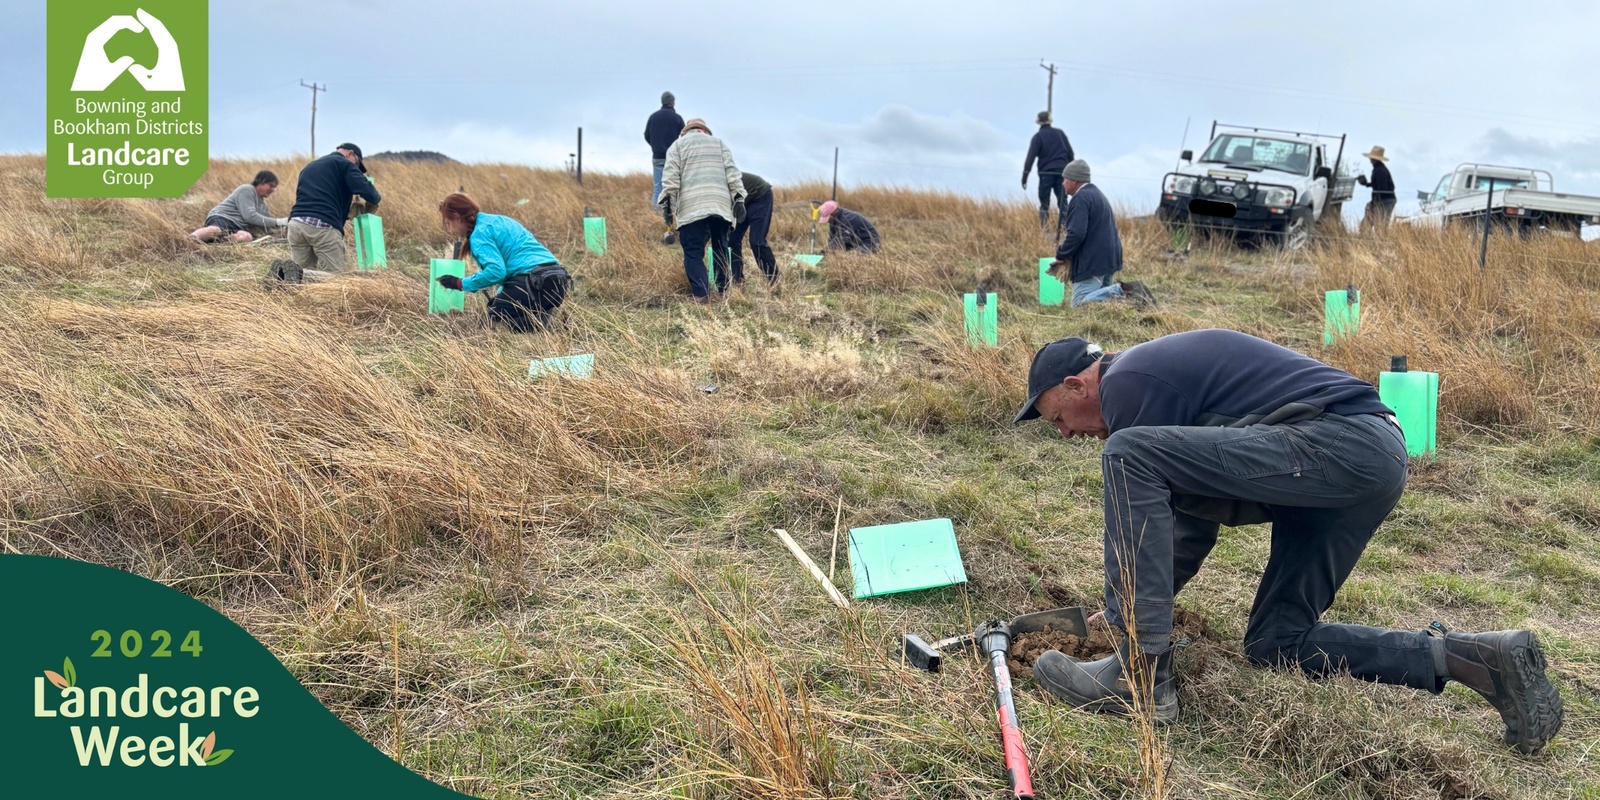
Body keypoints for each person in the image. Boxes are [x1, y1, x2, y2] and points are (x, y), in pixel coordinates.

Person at [1012, 330, 1564, 755]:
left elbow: (1179, 520)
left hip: (1340, 443)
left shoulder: (1129, 380)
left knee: (1127, 453)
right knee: (1277, 642)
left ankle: (1138, 677)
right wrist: (1119, 612)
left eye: (1059, 418)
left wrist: (1126, 619)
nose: (1066, 434)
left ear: (1078, 385)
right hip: (1367, 461)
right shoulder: (1150, 377)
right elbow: (1185, 523)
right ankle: (1474, 659)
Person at [433, 193, 570, 332]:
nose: (450, 228)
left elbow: (496, 272)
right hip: (558, 279)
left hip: (533, 281)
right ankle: (548, 319)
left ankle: (540, 327)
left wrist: (460, 283)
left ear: (456, 216)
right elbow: (509, 270)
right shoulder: (499, 220)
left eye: (449, 223)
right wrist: (501, 295)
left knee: (497, 314)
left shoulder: (479, 234)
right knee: (502, 304)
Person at [660, 119, 745, 302]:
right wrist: (739, 198)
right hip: (720, 206)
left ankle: (701, 294)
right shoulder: (719, 144)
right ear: (705, 131)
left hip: (692, 206)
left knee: (693, 251)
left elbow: (671, 178)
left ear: (685, 132)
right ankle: (723, 291)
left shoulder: (677, 146)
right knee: (720, 248)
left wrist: (667, 205)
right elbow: (733, 173)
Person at [1051, 160, 1155, 307]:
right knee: (1104, 303)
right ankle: (1127, 296)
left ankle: (1125, 291)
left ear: (1074, 181)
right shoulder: (1097, 194)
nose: (1062, 183)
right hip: (1109, 257)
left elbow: (1076, 233)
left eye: (1065, 179)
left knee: (1079, 304)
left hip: (1094, 260)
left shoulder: (1080, 199)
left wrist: (1062, 253)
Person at [285, 143, 381, 278]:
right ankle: (293, 274)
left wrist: (345, 213)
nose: (357, 168)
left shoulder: (309, 167)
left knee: (298, 278)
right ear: (350, 154)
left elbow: (319, 197)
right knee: (336, 277)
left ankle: (282, 277)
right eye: (357, 164)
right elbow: (368, 191)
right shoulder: (345, 163)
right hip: (322, 227)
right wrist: (374, 201)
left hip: (296, 225)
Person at [191, 170, 287, 243]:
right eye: (271, 186)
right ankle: (190, 240)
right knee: (215, 230)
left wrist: (286, 228)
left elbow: (266, 228)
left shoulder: (264, 207)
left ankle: (221, 243)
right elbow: (250, 216)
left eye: (274, 188)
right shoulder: (247, 190)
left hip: (237, 227)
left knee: (246, 236)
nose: (273, 190)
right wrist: (279, 221)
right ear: (261, 181)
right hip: (223, 218)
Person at [1023, 111, 1075, 231]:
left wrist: (1024, 177)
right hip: (1062, 173)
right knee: (1063, 202)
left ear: (1039, 122)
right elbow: (1070, 153)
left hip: (1045, 174)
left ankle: (1044, 229)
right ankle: (1065, 230)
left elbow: (1030, 158)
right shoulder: (1060, 134)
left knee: (1044, 203)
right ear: (1050, 120)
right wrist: (1071, 172)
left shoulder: (1038, 137)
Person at [730, 172, 778, 286]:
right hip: (741, 201)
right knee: (731, 240)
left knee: (756, 241)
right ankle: (738, 281)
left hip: (759, 195)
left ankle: (775, 280)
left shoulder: (722, 181)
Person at [645, 92, 685, 208]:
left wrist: (654, 146)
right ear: (672, 103)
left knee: (658, 186)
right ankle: (672, 213)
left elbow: (647, 135)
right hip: (673, 157)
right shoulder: (677, 118)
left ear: (662, 102)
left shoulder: (653, 117)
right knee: (673, 186)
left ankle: (655, 213)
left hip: (657, 156)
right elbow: (684, 137)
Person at [1357, 145, 1397, 232]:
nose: (1370, 160)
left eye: (1371, 158)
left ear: (1374, 159)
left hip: (1385, 200)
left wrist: (1374, 203)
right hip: (1385, 199)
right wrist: (1367, 184)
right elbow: (1380, 185)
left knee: (1380, 225)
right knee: (1377, 224)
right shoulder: (1379, 169)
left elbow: (1382, 188)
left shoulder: (1379, 170)